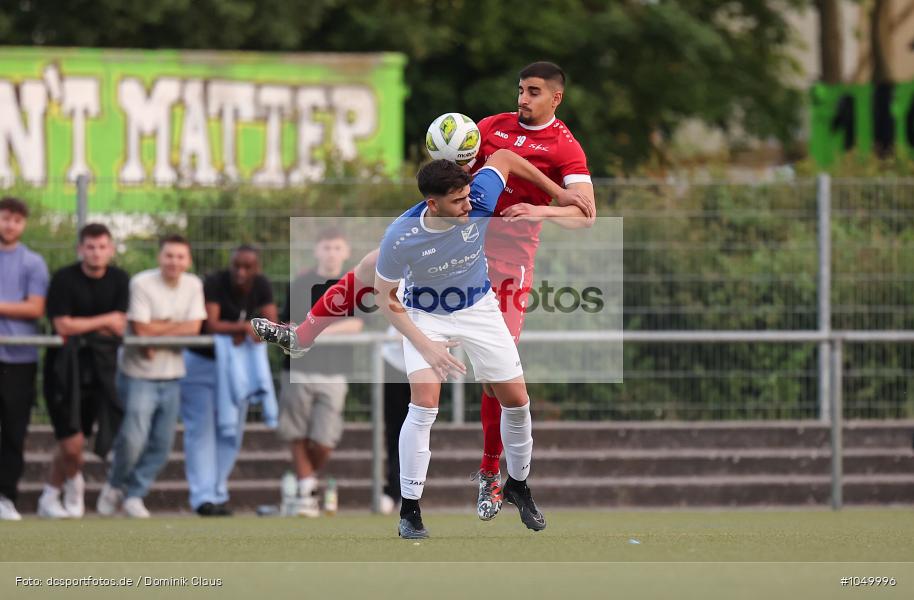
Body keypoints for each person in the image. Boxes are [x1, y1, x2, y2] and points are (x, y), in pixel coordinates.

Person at [250, 61, 595, 521]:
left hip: (508, 262)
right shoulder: (489, 128)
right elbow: (469, 169)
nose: (521, 99)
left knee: (500, 372)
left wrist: (541, 208)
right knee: (373, 265)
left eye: (532, 92)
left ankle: (491, 473)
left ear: (556, 97)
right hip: (456, 241)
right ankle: (302, 335)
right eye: (519, 90)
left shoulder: (567, 149)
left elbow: (585, 215)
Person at [370, 151, 583, 538]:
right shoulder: (400, 236)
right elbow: (385, 297)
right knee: (424, 404)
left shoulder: (480, 197)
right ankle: (409, 510)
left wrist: (559, 194)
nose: (471, 205)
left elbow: (502, 157)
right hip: (425, 316)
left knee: (517, 400)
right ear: (432, 204)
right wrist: (428, 347)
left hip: (479, 307)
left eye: (469, 196)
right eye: (458, 201)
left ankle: (518, 485)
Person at [97, 235, 206, 518]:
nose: (174, 261)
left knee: (162, 444)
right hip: (138, 375)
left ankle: (134, 493)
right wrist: (172, 328)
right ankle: (115, 485)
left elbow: (194, 329)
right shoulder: (142, 283)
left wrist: (158, 330)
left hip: (172, 375)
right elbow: (142, 334)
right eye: (169, 255)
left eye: (180, 256)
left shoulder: (193, 285)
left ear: (188, 260)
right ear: (160, 257)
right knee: (133, 438)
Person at [38, 223, 129, 519]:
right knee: (72, 442)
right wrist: (104, 321)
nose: (96, 252)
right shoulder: (64, 279)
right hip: (63, 369)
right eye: (90, 247)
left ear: (111, 250)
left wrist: (85, 324)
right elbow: (63, 325)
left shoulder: (119, 279)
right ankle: (73, 485)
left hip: (101, 369)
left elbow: (120, 325)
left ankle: (50, 496)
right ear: (80, 249)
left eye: (102, 247)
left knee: (80, 440)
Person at [180, 245, 278, 516]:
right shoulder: (214, 282)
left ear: (256, 267)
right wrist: (243, 328)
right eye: (236, 265)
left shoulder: (261, 284)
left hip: (237, 368)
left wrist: (253, 328)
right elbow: (211, 324)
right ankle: (202, 498)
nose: (241, 272)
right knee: (201, 430)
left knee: (230, 431)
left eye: (247, 266)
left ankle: (218, 492)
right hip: (202, 366)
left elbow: (271, 324)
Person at [278, 228, 362, 517]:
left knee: (325, 440)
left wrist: (313, 331)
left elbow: (357, 324)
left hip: (335, 372)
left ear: (346, 251)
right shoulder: (301, 283)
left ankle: (301, 482)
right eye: (326, 247)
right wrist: (307, 331)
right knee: (297, 432)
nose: (331, 253)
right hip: (299, 370)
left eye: (337, 247)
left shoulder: (355, 284)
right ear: (317, 251)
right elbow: (291, 324)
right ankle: (306, 492)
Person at [0, 197, 49, 521]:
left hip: (18, 359)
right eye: (5, 218)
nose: (10, 225)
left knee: (14, 431)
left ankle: (5, 497)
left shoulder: (33, 263)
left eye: (16, 220)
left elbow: (35, 308)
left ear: (24, 225)